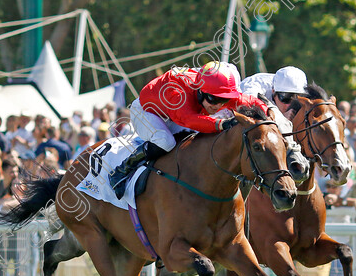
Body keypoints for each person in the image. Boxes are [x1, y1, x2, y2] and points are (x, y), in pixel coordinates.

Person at [109, 61, 269, 198]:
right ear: (200, 91)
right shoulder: (179, 93)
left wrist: (269, 113)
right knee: (165, 141)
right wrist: (222, 124)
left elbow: (249, 101)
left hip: (174, 114)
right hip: (147, 112)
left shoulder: (212, 91)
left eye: (225, 99)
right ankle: (122, 170)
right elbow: (188, 120)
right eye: (214, 98)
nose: (218, 105)